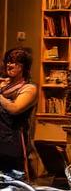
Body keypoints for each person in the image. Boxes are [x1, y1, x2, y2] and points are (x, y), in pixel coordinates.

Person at [0, 47, 38, 175]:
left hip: (13, 140)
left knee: (14, 182)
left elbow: (15, 108)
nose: (9, 65)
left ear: (24, 67)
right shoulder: (3, 84)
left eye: (15, 63)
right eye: (8, 61)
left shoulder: (29, 88)